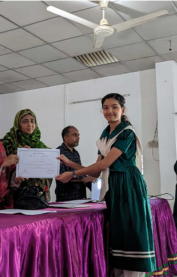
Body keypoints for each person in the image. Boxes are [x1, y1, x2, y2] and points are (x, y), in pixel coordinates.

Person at [56, 93, 156, 277]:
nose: (110, 111)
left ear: (122, 110)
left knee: (132, 229)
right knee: (119, 231)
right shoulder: (104, 137)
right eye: (106, 107)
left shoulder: (126, 132)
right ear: (102, 110)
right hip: (114, 187)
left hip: (129, 185)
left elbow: (104, 164)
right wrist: (70, 165)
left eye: (114, 107)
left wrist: (73, 173)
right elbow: (94, 172)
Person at [2, 109, 52, 209]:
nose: (30, 124)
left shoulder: (41, 146)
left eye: (32, 121)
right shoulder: (8, 142)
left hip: (38, 197)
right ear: (18, 123)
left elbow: (48, 173)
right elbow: (1, 166)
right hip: (15, 196)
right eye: (25, 121)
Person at [56, 126, 96, 201]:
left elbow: (81, 173)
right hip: (66, 198)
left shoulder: (76, 153)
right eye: (75, 135)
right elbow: (61, 176)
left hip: (80, 196)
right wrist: (83, 179)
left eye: (78, 135)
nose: (78, 138)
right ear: (66, 137)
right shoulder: (59, 152)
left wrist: (91, 180)